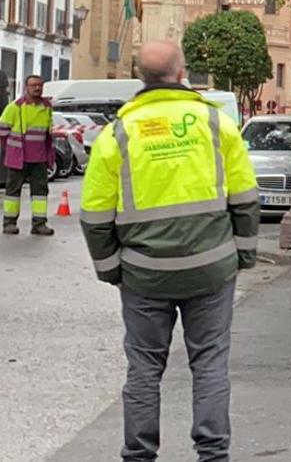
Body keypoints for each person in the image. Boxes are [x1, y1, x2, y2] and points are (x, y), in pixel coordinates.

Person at [80, 41, 260, 462]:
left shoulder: (117, 134)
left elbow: (94, 217)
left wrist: (112, 269)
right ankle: (213, 454)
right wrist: (243, 256)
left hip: (144, 273)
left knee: (143, 368)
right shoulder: (215, 124)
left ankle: (139, 455)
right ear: (183, 73)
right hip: (211, 269)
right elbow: (246, 200)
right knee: (210, 363)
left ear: (141, 77)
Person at [0, 74, 54, 235]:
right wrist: (10, 150)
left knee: (40, 193)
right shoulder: (15, 107)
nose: (37, 88)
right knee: (13, 193)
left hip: (39, 158)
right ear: (26, 87)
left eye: (39, 85)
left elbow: (47, 133)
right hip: (19, 158)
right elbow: (2, 130)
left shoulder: (47, 107)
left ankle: (39, 224)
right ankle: (9, 223)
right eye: (33, 85)